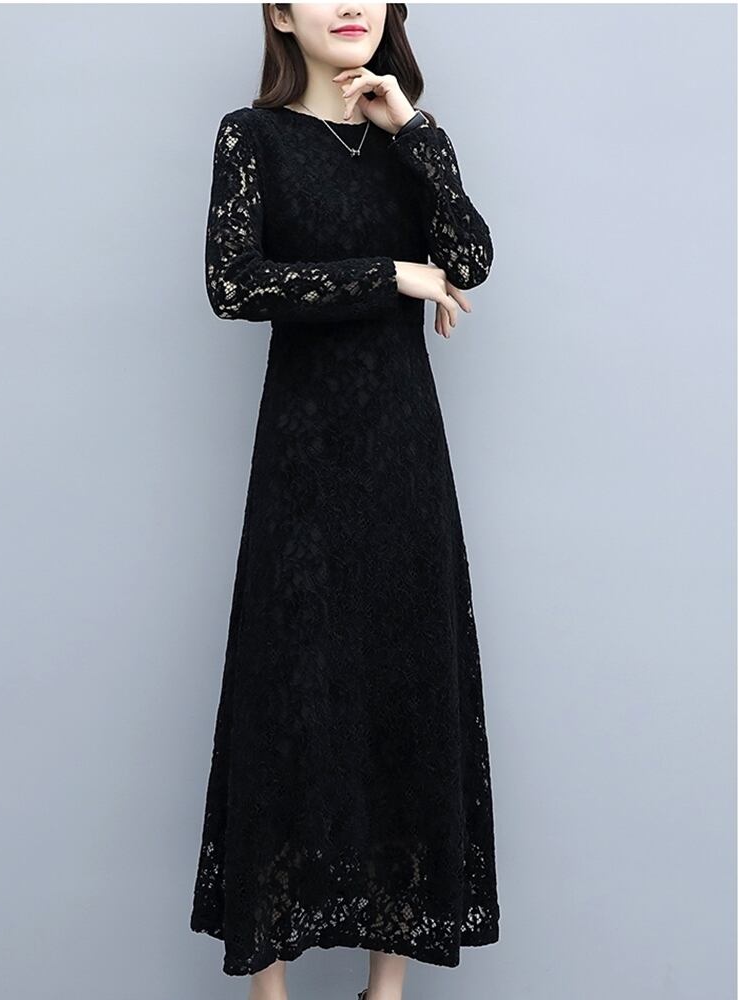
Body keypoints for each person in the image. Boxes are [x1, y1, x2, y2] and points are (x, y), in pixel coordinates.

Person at [190, 5, 499, 998]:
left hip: (405, 462)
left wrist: (414, 131)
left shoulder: (409, 141)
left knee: (404, 690)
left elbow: (471, 259)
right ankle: (269, 988)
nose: (352, 5)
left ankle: (386, 988)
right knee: (291, 695)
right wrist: (391, 274)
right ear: (281, 13)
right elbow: (235, 285)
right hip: (304, 461)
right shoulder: (252, 136)